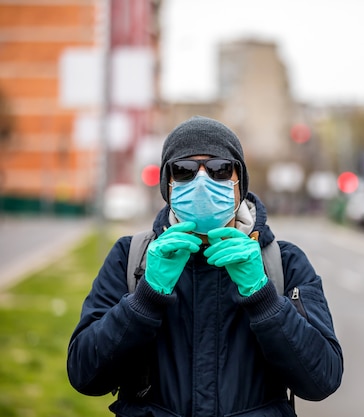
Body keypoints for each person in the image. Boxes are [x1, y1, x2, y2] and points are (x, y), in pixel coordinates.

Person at [67, 116, 343, 416]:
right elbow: (85, 375)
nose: (202, 181)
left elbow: (322, 380)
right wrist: (146, 298)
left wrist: (263, 298)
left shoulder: (284, 262)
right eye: (183, 170)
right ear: (167, 184)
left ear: (240, 181)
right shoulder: (130, 257)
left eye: (219, 169)